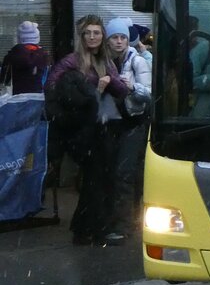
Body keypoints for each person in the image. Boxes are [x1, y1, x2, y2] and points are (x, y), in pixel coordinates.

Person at [45, 14, 129, 246]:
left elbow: (120, 89)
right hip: (82, 131)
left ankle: (85, 230)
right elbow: (52, 89)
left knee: (97, 180)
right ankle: (95, 230)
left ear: (102, 36)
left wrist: (122, 85)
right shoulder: (72, 62)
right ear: (81, 37)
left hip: (102, 128)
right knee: (96, 179)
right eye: (88, 33)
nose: (93, 37)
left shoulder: (106, 61)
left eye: (97, 33)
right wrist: (93, 92)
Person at [97, 17, 151, 243]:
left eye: (122, 37)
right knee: (111, 174)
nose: (119, 42)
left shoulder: (137, 61)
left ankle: (124, 225)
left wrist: (132, 87)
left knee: (124, 174)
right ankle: (115, 221)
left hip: (133, 122)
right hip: (111, 123)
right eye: (114, 37)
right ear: (107, 41)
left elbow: (148, 93)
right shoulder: (101, 63)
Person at [2, 20, 49, 95]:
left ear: (19, 38)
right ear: (37, 37)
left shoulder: (12, 55)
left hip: (18, 98)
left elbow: (4, 81)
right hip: (38, 97)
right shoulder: (43, 55)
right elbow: (46, 79)